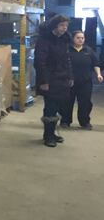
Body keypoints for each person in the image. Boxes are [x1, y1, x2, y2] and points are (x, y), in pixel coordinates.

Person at [34, 14, 73, 147]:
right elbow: (40, 62)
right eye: (62, 25)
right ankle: (48, 136)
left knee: (57, 106)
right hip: (49, 79)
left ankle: (52, 133)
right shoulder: (44, 40)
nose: (64, 28)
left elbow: (67, 60)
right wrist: (44, 81)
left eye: (66, 26)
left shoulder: (64, 40)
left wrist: (70, 76)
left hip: (62, 78)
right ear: (55, 25)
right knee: (50, 108)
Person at [61, 30, 102, 129]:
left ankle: (85, 122)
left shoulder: (88, 51)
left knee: (85, 103)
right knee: (67, 102)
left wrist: (98, 74)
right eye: (78, 38)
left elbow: (95, 64)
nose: (80, 40)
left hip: (85, 82)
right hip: (69, 81)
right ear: (73, 38)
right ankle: (65, 121)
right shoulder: (67, 50)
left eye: (82, 38)